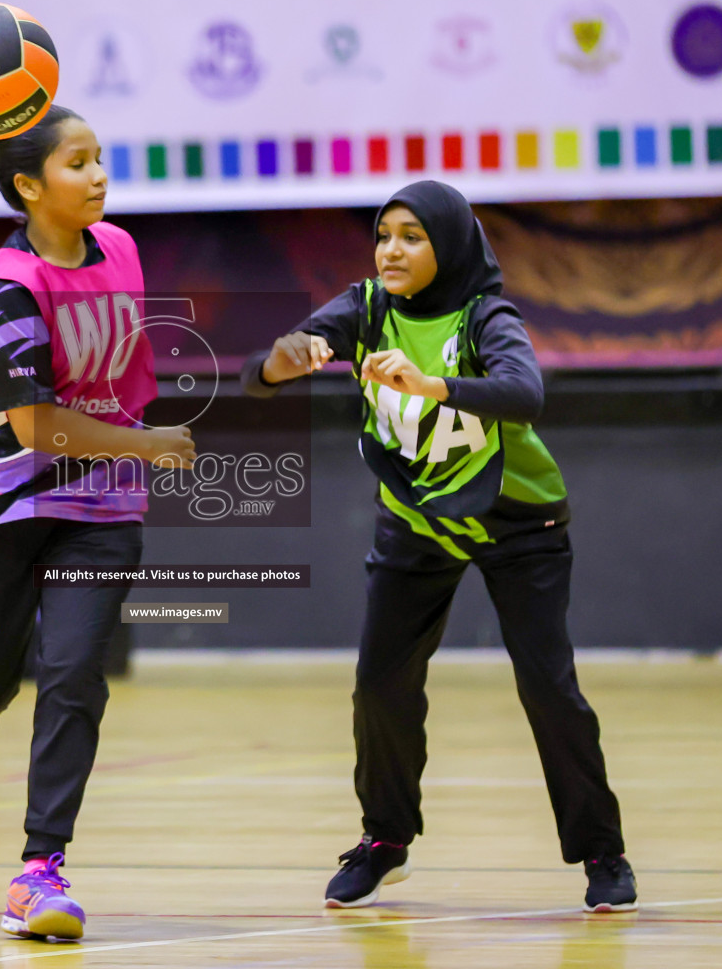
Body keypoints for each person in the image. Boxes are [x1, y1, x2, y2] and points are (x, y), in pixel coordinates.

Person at [242, 180, 637, 913]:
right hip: (417, 522)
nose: (391, 249)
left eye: (412, 237)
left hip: (518, 522)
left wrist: (433, 384)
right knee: (380, 686)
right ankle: (385, 842)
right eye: (384, 233)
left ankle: (602, 852)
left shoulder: (486, 315)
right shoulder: (365, 309)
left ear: (447, 246)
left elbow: (525, 393)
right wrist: (281, 362)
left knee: (548, 688)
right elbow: (260, 374)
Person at [0, 105, 195, 941]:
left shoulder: (122, 250)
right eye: (80, 163)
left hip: (100, 505)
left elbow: (112, 372)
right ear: (30, 187)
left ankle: (39, 871)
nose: (100, 174)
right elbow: (36, 426)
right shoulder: (3, 289)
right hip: (6, 500)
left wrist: (126, 451)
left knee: (75, 676)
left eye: (101, 158)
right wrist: (145, 442)